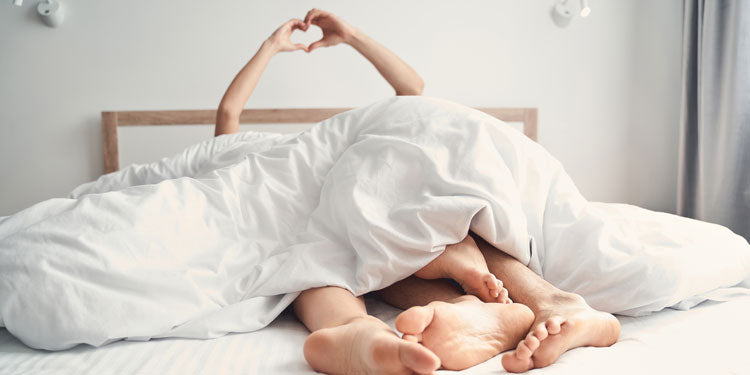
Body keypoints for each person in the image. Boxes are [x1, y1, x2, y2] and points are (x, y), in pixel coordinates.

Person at [216, 9, 620, 374]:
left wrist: (346, 36)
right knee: (381, 238)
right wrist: (283, 44)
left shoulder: (351, 147)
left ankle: (359, 326)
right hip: (351, 218)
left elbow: (413, 92)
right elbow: (229, 118)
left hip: (354, 213)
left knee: (327, 256)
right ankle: (503, 298)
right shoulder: (247, 161)